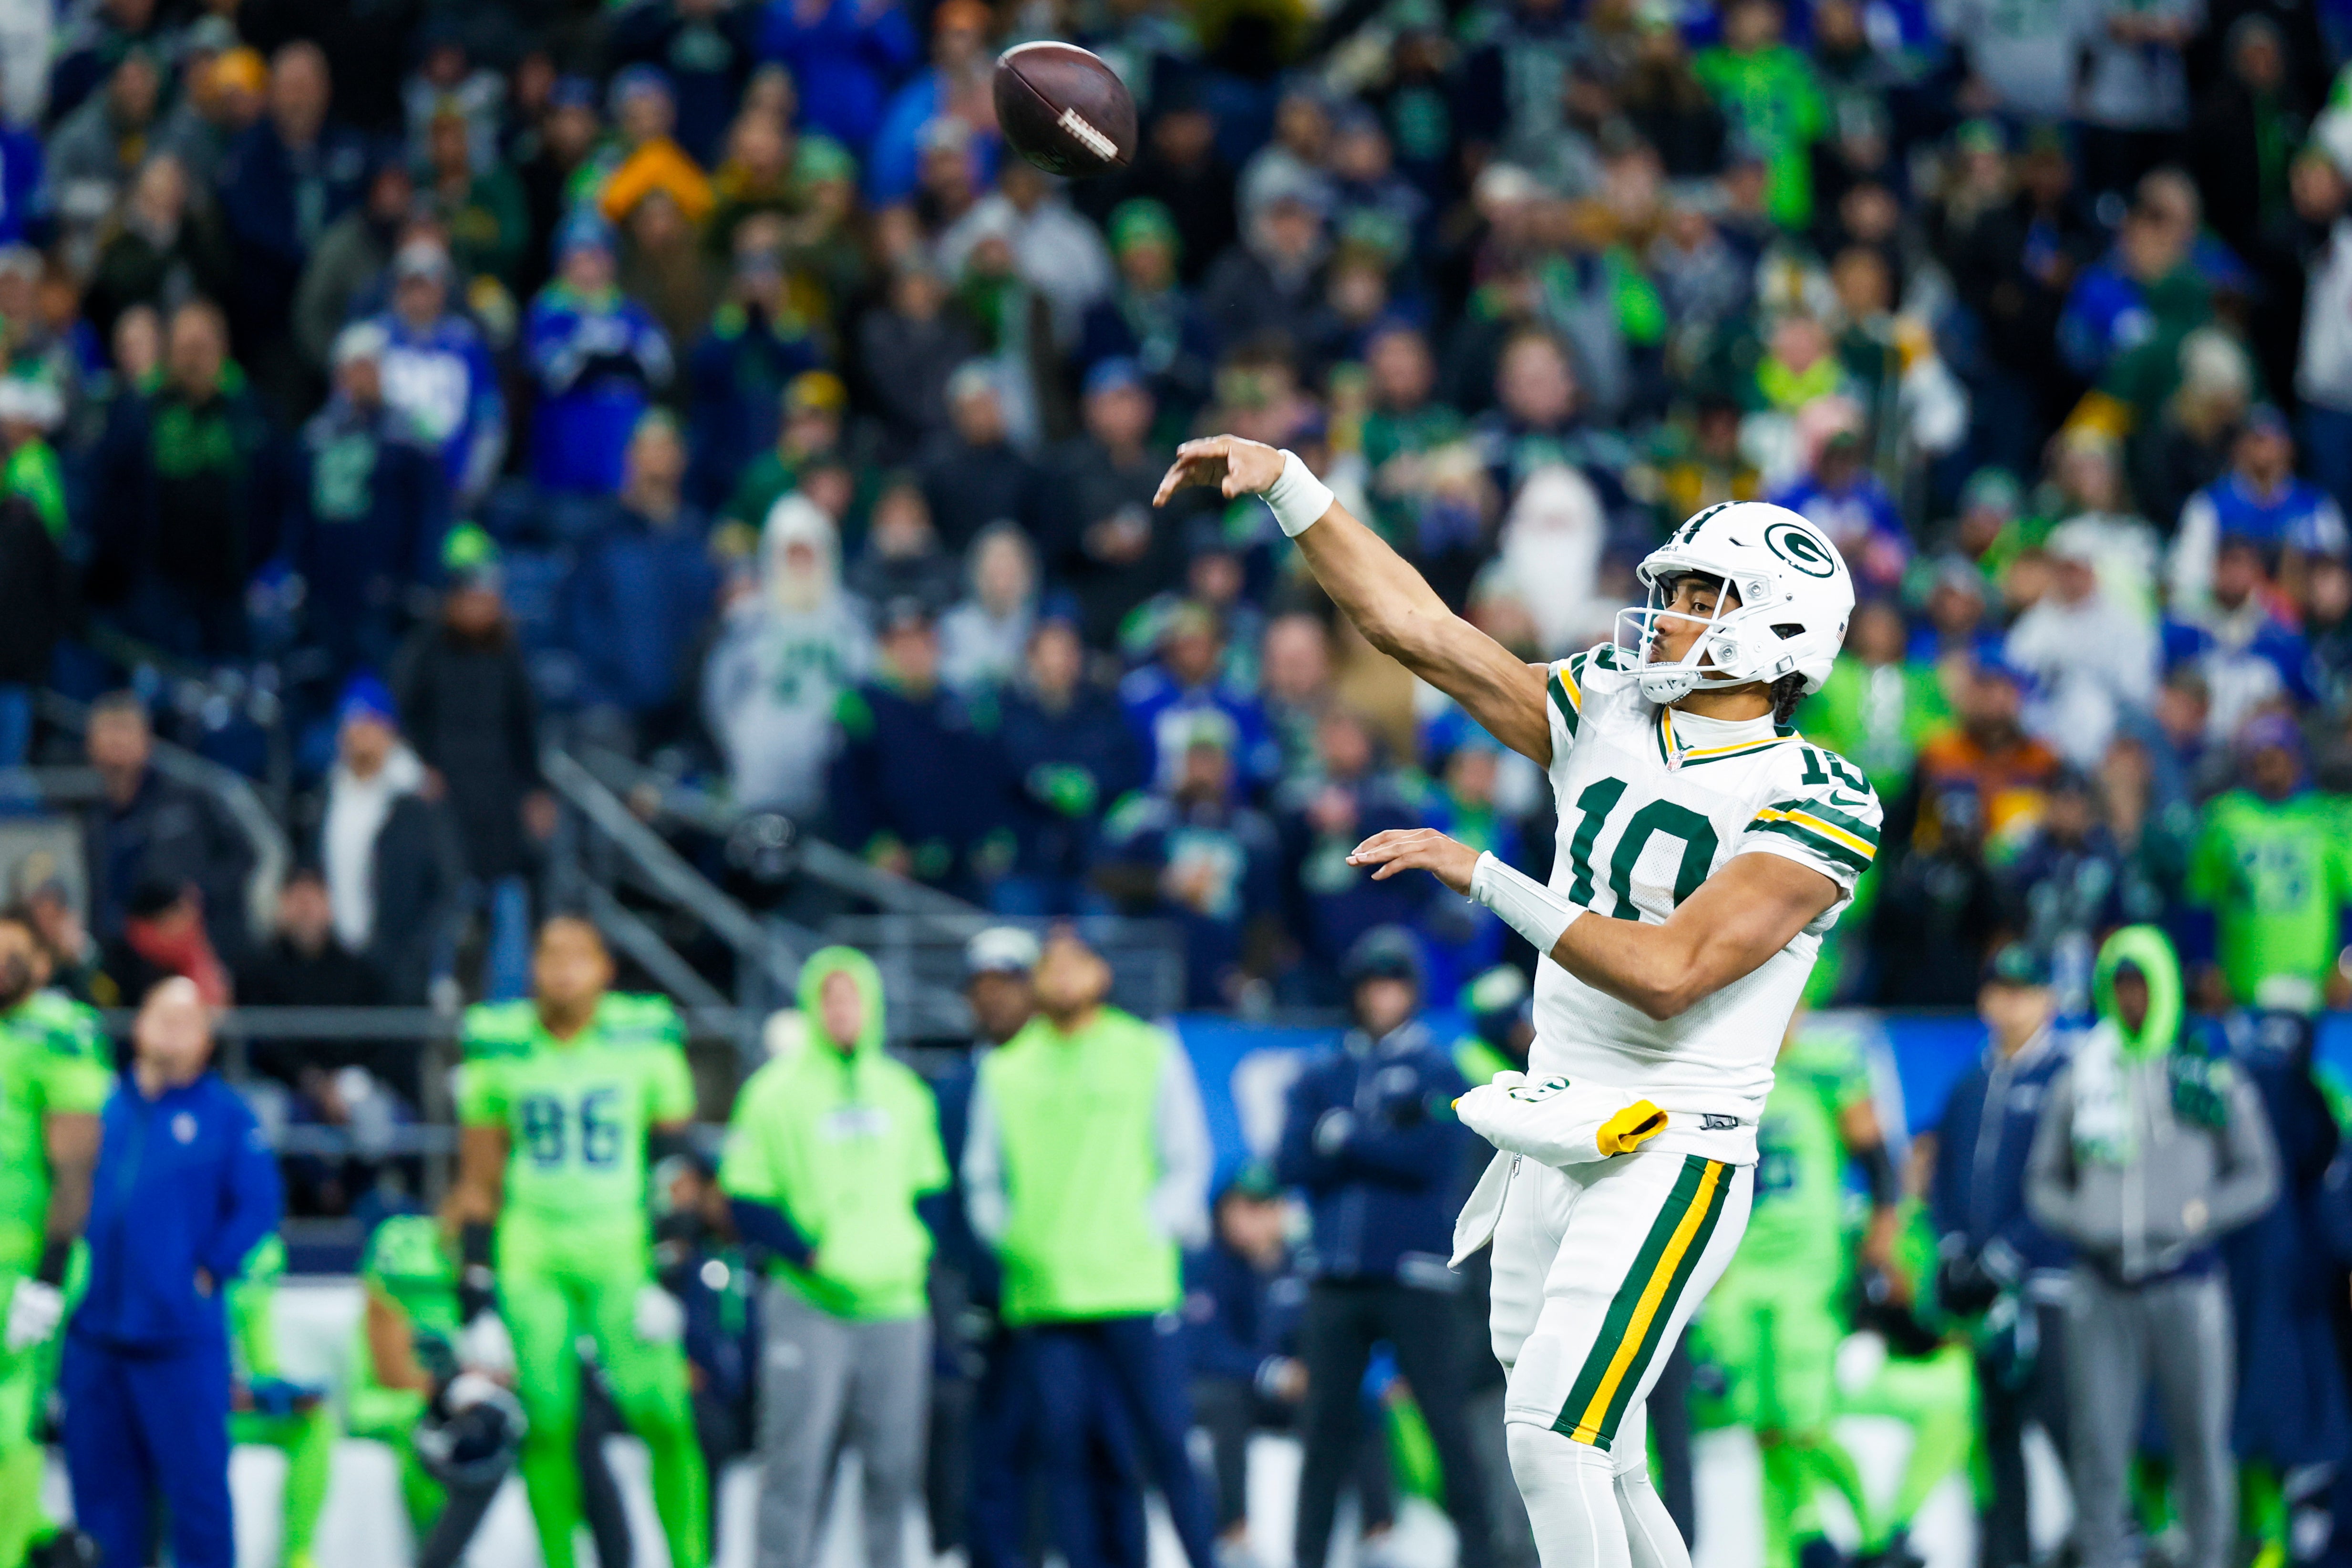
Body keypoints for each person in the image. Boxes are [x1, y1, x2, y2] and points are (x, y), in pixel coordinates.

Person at [1154, 437, 1875, 1568]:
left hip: (1673, 1141)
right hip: (1556, 1120)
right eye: (1677, 591)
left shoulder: (1814, 792)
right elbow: (1419, 630)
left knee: (1551, 1436)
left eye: (1704, 598)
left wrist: (1487, 876)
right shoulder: (1609, 705)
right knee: (1604, 1451)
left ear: (1780, 630)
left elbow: (1669, 971)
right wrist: (1292, 485)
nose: (1670, 615)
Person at [451, 915, 708, 1568]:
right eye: (550, 954)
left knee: (663, 1413)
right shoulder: (501, 1044)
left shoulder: (643, 1036)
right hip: (533, 1249)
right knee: (547, 1421)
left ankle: (690, 1559)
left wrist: (672, 1270)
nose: (563, 968)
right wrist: (476, 1293)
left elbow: (676, 1167)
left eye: (578, 955)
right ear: (532, 968)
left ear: (605, 969)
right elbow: (478, 1179)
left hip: (620, 1245)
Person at [962, 928, 1219, 1568]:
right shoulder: (1005, 1068)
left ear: (1102, 974)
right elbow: (983, 1178)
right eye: (1050, 965)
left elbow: (1188, 1159)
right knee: (1068, 1458)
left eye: (1076, 962)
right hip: (1047, 1295)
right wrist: (1017, 1240)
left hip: (1135, 1289)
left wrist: (1144, 1230)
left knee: (1166, 1446)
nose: (1062, 976)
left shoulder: (1147, 1050)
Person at [2026, 926, 2278, 1568]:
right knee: (2099, 1448)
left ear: (2164, 985)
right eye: (2120, 985)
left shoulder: (2203, 1071)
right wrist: (2083, 1219)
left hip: (2186, 1283)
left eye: (2142, 983)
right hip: (2102, 1287)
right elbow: (2043, 1180)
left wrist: (2202, 1213)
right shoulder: (2084, 1073)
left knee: (2202, 1445)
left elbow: (2258, 1174)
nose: (2131, 998)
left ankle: (2208, 1559)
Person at [722, 945, 949, 1568]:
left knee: (894, 1470)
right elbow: (745, 1194)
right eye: (831, 998)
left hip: (895, 1304)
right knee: (793, 1463)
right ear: (812, 1005)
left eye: (853, 998)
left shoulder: (903, 1091)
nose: (843, 1011)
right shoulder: (773, 1092)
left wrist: (907, 1249)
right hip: (809, 1303)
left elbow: (931, 1190)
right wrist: (808, 1252)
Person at [1275, 926, 1494, 1568]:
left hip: (1415, 1275)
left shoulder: (1437, 1068)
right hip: (1336, 1273)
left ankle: (1482, 1555)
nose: (1381, 995)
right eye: (1371, 983)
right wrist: (1381, 1141)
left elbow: (1435, 1158)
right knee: (1324, 1430)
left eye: (1393, 982)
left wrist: (1346, 1139)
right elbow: (1290, 1161)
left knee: (1445, 1422)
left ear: (1412, 991)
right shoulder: (1325, 1071)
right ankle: (1308, 1557)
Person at [63, 977, 282, 1568]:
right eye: (162, 1014)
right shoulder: (100, 1105)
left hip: (179, 1341)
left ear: (208, 1039)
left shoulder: (227, 1116)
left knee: (198, 1499)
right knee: (101, 1501)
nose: (171, 1030)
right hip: (94, 1338)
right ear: (138, 1024)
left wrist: (208, 1269)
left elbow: (259, 1204)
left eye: (188, 1020)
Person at [1692, 1011, 1903, 1568]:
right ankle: (1784, 1550)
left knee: (1805, 1424)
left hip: (1808, 1269)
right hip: (1740, 1270)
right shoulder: (1720, 1072)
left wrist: (1879, 1244)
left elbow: (1880, 1166)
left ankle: (1877, 1536)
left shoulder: (1828, 1067)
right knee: (1761, 1426)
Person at [1925, 945, 2073, 1568]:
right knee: (1997, 1433)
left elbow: (2071, 1182)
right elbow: (1943, 1179)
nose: (2010, 1003)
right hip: (1984, 1299)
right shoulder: (1971, 1084)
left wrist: (2008, 1257)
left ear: (2050, 1000)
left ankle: (2106, 1542)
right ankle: (2008, 1552)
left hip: (2051, 1289)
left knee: (2069, 1426)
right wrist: (1956, 1251)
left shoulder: (2067, 1078)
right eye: (2000, 989)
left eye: (2024, 990)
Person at [390, 528, 556, 1003]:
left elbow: (525, 727)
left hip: (499, 795)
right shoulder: (425, 650)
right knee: (448, 895)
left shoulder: (507, 653)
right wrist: (421, 768)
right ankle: (439, 989)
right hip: (447, 797)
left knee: (510, 896)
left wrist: (536, 790)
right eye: (475, 599)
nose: (484, 608)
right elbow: (404, 715)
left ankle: (507, 997)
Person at [0, 910, 107, 1568]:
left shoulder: (58, 1031)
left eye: (13, 951)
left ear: (42, 965)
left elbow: (75, 1169)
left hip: (21, 1266)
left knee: (10, 1423)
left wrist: (46, 1277)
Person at [346, 1211, 535, 1568]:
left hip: (457, 1401)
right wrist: (455, 1388)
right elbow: (393, 1373)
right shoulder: (397, 1270)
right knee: (437, 1434)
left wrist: (487, 1382)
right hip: (399, 1402)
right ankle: (439, 1558)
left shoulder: (486, 1291)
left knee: (503, 1426)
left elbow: (510, 1368)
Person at [78, 691, 254, 961]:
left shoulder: (190, 797)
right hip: (128, 960)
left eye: (124, 729)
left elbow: (244, 856)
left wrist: (197, 900)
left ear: (147, 740)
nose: (116, 741)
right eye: (108, 731)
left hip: (202, 953)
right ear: (90, 745)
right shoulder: (93, 817)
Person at [226, 1233, 334, 1568]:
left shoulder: (262, 1249)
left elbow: (260, 1349)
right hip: (179, 1405)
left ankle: (299, 1557)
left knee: (315, 1423)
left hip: (228, 1407)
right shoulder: (175, 1235)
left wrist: (276, 1394)